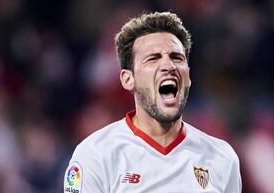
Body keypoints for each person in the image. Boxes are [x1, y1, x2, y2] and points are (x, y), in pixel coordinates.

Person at [63, 12, 242, 193]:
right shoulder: (95, 154)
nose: (169, 66)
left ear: (188, 76)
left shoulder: (222, 157)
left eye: (177, 57)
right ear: (128, 79)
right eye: (153, 58)